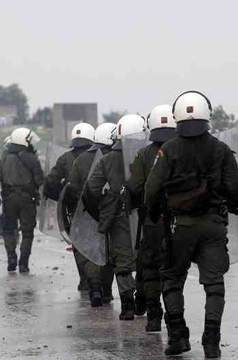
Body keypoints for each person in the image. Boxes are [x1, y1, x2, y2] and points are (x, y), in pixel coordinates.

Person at [145, 91, 238, 358]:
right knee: (214, 285)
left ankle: (177, 338)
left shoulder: (168, 149)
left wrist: (155, 215)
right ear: (207, 115)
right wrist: (230, 203)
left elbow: (151, 189)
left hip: (179, 228)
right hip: (213, 226)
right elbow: (236, 189)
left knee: (172, 280)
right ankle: (211, 343)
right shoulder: (221, 149)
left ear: (178, 116)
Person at [86, 114, 146, 320]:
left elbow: (91, 190)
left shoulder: (107, 159)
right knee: (148, 258)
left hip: (118, 215)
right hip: (146, 215)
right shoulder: (149, 154)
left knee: (122, 262)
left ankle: (127, 306)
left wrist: (103, 212)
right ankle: (144, 302)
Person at [124, 105, 176, 332]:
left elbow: (134, 187)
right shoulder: (181, 149)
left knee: (152, 269)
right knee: (174, 272)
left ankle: (154, 317)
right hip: (179, 222)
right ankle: (175, 319)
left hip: (153, 222)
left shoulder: (143, 155)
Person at [66, 122, 117, 306]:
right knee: (108, 251)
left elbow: (71, 189)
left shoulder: (80, 160)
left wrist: (73, 212)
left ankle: (94, 286)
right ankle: (107, 291)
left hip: (85, 212)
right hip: (111, 213)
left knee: (90, 251)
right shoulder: (116, 157)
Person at [43, 123, 95, 289]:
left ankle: (85, 279)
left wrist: (63, 197)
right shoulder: (98, 156)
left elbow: (49, 184)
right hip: (97, 209)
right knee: (98, 243)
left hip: (73, 210)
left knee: (78, 245)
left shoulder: (65, 159)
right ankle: (97, 281)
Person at [0, 128, 43, 273]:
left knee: (8, 230)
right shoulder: (32, 158)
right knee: (27, 232)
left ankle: (11, 257)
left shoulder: (5, 157)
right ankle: (23, 263)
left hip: (9, 199)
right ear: (24, 140)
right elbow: (40, 180)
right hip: (27, 200)